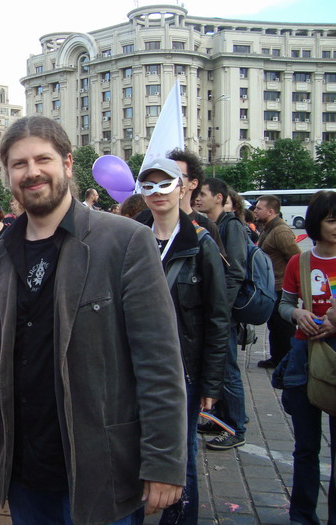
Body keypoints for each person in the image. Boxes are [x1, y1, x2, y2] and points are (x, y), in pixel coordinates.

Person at [0, 116, 187, 525]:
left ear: (67, 163)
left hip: (100, 466)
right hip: (26, 469)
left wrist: (164, 461)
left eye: (42, 159)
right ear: (8, 175)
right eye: (19, 164)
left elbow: (159, 362)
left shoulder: (124, 242)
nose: (32, 172)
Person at [136, 158, 230, 525]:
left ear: (182, 188)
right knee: (137, 448)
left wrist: (212, 381)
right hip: (137, 365)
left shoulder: (201, 243)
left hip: (183, 370)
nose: (157, 194)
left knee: (181, 454)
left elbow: (217, 317)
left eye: (165, 185)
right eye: (149, 186)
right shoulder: (131, 237)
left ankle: (179, 519)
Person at [274, 190, 336, 525]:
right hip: (304, 358)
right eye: (330, 220)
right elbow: (283, 304)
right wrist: (297, 315)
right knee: (306, 448)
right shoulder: (301, 261)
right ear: (316, 223)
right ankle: (301, 516)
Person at [195, 177, 248, 450]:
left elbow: (236, 271)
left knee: (227, 370)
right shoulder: (211, 226)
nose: (198, 198)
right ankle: (219, 419)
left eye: (203, 194)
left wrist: (219, 310)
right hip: (216, 311)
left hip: (223, 313)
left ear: (219, 197)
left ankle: (237, 427)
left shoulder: (232, 226)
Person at [254, 194, 301, 368]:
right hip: (271, 286)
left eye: (259, 208)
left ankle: (287, 361)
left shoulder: (280, 231)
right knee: (274, 325)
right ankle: (277, 358)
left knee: (283, 327)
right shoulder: (269, 227)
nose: (255, 211)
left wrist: (293, 283)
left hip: (281, 286)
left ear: (271, 211)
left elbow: (296, 258)